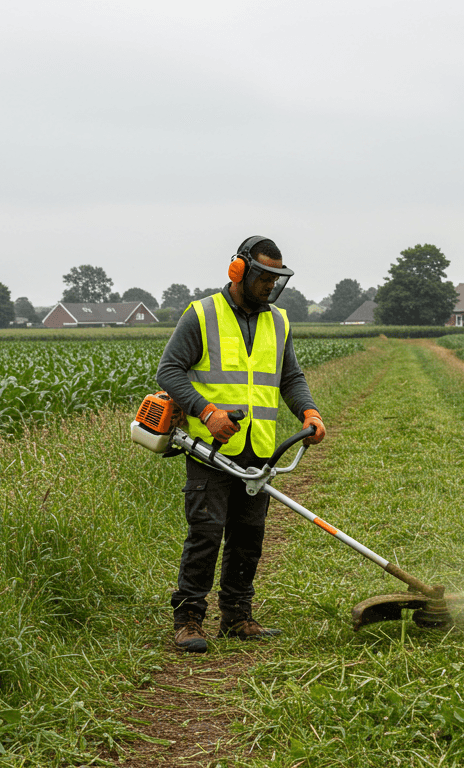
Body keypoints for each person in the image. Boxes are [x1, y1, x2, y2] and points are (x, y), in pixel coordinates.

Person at [155, 236, 327, 653]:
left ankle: (236, 616)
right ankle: (189, 618)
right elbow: (169, 371)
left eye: (277, 278)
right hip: (210, 450)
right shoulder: (202, 315)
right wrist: (207, 411)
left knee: (249, 535)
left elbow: (290, 377)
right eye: (264, 277)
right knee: (206, 533)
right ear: (239, 271)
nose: (271, 286)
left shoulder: (279, 322)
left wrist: (309, 411)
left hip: (260, 449)